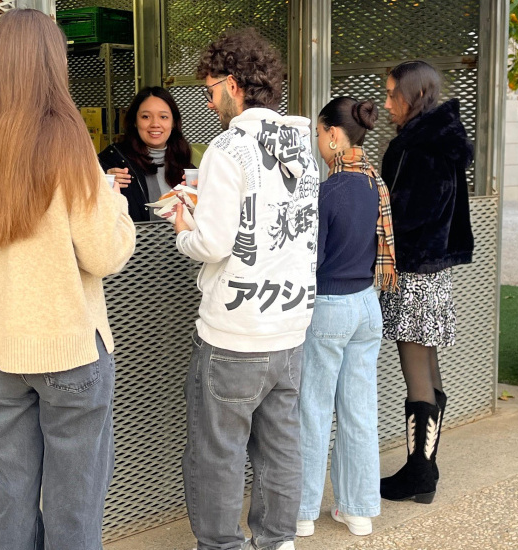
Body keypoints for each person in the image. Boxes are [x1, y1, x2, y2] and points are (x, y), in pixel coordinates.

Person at [0, 10, 136, 550]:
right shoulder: (68, 145)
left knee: (7, 503)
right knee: (74, 510)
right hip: (67, 347)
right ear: (52, 65)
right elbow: (106, 253)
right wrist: (113, 202)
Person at [174, 28, 320, 550]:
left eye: (211, 89)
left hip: (235, 330)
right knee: (282, 445)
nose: (209, 100)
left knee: (219, 452)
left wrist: (183, 228)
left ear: (233, 85)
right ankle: (278, 540)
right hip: (290, 324)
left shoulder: (226, 147)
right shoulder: (300, 142)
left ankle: (220, 545)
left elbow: (213, 244)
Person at [296, 97, 395, 539]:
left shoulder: (326, 192)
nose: (318, 142)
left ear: (335, 136)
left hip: (329, 308)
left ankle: (301, 512)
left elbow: (311, 261)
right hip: (367, 306)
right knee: (359, 411)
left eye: (319, 134)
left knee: (313, 410)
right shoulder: (376, 184)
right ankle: (358, 512)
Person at [376, 60, 474, 504]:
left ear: (414, 96)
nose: (386, 102)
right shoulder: (440, 140)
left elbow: (416, 210)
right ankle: (426, 467)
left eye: (392, 94)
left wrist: (379, 225)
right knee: (427, 365)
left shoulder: (418, 146)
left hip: (411, 269)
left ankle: (420, 473)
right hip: (432, 270)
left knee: (415, 368)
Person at [98, 86, 195, 221]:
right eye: (146, 116)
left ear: (173, 122)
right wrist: (102, 183)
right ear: (134, 122)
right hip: (135, 242)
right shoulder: (112, 160)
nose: (155, 124)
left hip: (180, 242)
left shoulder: (186, 166)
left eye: (163, 117)